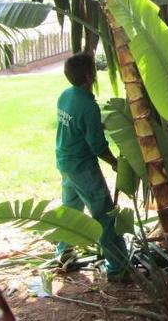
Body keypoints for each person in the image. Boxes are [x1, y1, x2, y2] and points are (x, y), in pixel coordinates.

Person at [55, 53, 129, 280]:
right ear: (89, 76)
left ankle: (65, 253)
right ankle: (118, 268)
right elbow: (97, 146)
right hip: (83, 167)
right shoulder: (88, 105)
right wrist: (116, 164)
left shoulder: (66, 95)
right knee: (105, 216)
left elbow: (78, 126)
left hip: (65, 161)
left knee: (70, 209)